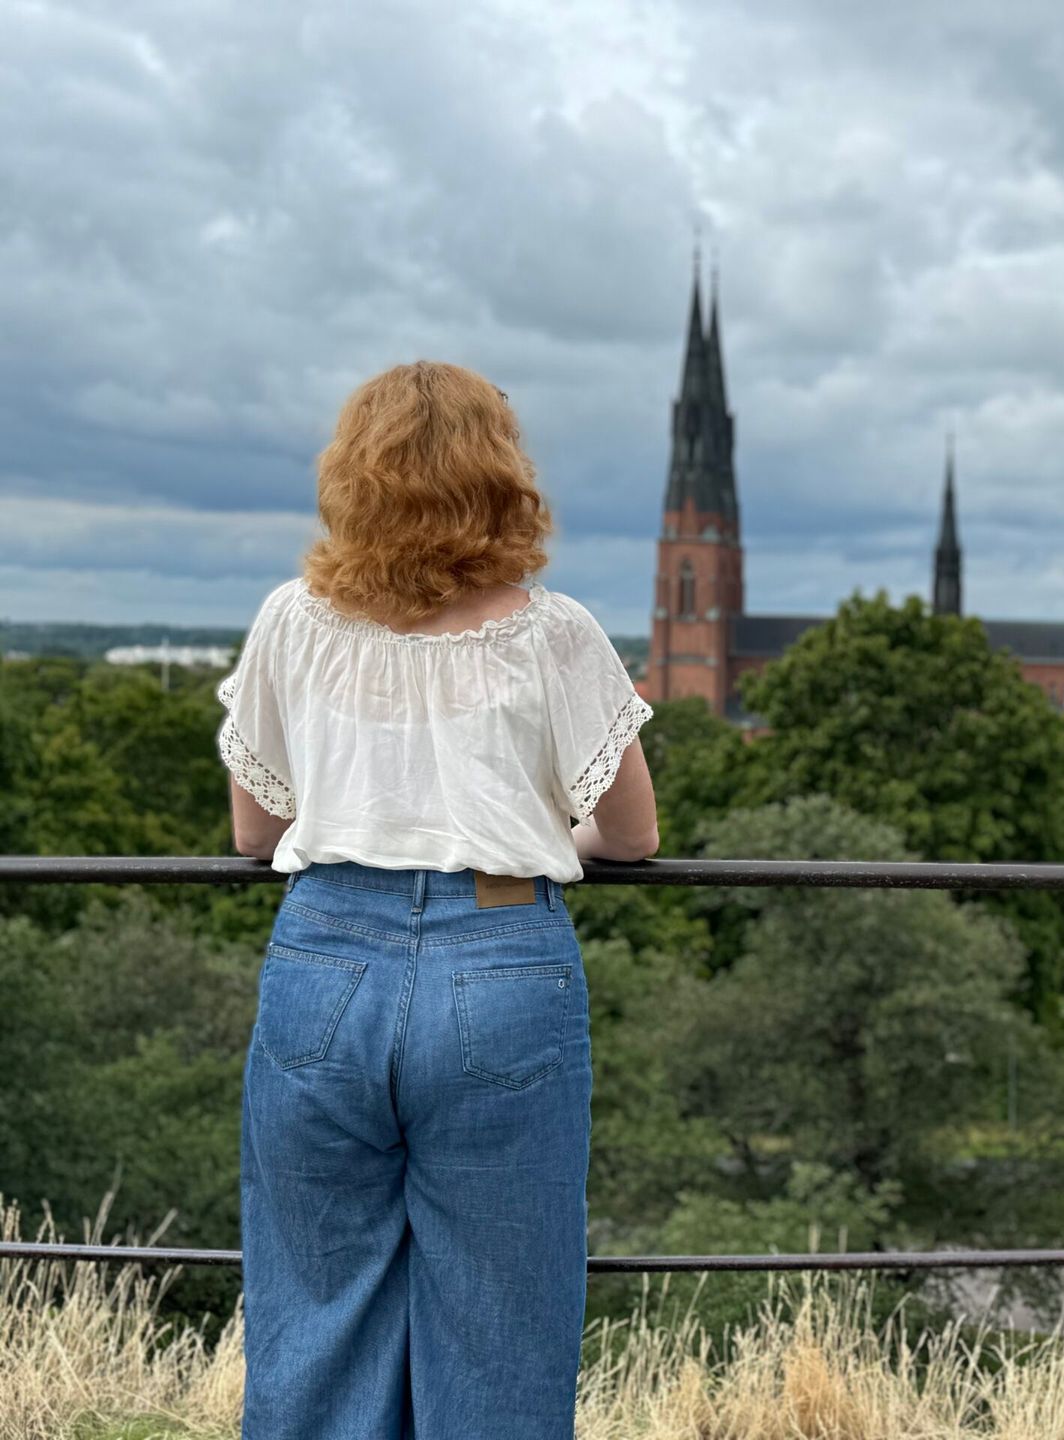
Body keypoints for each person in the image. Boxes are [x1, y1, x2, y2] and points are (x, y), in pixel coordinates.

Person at [217, 360, 660, 1439]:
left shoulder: (291, 620)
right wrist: (546, 830)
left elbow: (254, 828)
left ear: (350, 477)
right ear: (501, 476)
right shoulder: (553, 635)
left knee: (315, 1305)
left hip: (324, 955)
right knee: (503, 1320)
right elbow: (634, 836)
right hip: (502, 954)